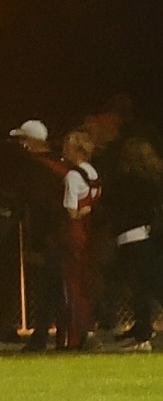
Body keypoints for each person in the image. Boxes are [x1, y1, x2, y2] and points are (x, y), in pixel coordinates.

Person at [0, 119, 65, 350]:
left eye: (23, 139)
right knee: (50, 286)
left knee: (51, 286)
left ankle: (50, 334)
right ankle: (52, 333)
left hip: (50, 236)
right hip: (48, 235)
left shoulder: (42, 168)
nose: (20, 144)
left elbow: (38, 203)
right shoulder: (47, 166)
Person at [101, 136, 163, 352]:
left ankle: (143, 335)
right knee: (152, 285)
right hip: (150, 237)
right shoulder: (153, 180)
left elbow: (109, 207)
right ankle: (142, 330)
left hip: (130, 238)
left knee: (140, 289)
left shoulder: (124, 182)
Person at [48, 129, 102, 351]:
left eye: (67, 146)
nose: (63, 150)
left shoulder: (72, 176)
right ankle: (85, 330)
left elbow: (71, 212)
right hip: (91, 234)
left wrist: (83, 210)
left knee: (73, 285)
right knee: (86, 282)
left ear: (78, 150)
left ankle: (80, 333)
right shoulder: (93, 173)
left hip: (75, 233)